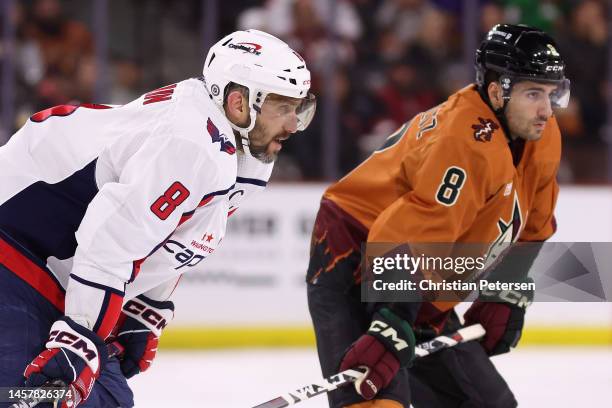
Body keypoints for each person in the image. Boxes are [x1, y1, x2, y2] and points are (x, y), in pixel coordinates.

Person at [0, 29, 315, 408]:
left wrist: (147, 305)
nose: (294, 123)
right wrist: (78, 339)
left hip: (43, 271)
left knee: (108, 400)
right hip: (13, 253)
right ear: (239, 102)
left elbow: (173, 234)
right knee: (37, 397)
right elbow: (108, 244)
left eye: (299, 108)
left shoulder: (240, 151)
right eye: (283, 108)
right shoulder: (190, 143)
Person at [306, 24, 568, 408]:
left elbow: (534, 223)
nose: (546, 110)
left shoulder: (539, 135)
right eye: (533, 93)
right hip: (355, 252)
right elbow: (408, 230)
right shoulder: (465, 141)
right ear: (497, 92)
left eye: (552, 93)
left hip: (419, 269)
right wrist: (394, 318)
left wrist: (506, 287)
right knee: (375, 401)